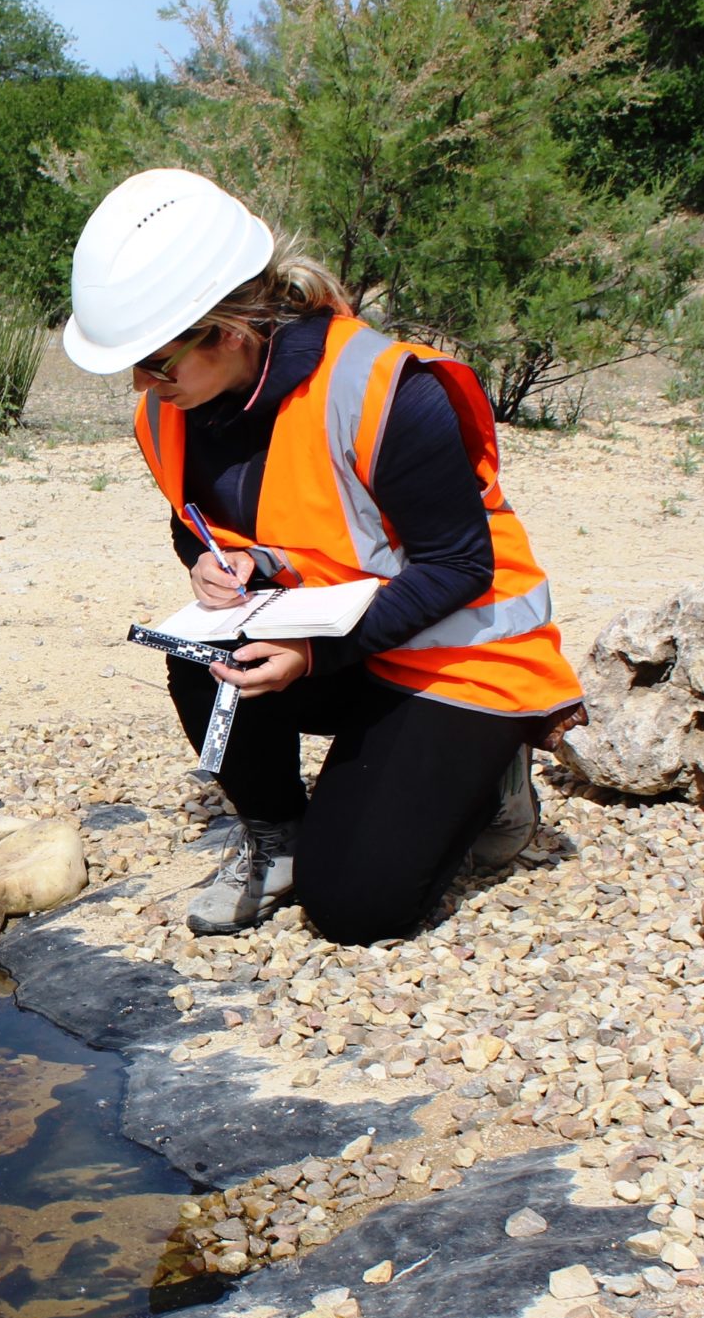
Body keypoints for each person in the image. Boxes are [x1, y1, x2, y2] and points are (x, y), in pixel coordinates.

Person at [61, 169, 585, 945]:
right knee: (198, 649)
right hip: (346, 646)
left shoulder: (385, 389)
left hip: (462, 656)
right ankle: (277, 839)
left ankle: (493, 775)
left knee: (355, 909)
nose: (143, 384)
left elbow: (460, 567)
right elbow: (199, 523)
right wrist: (210, 565)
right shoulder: (172, 413)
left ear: (229, 331)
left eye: (158, 361)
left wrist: (312, 652)